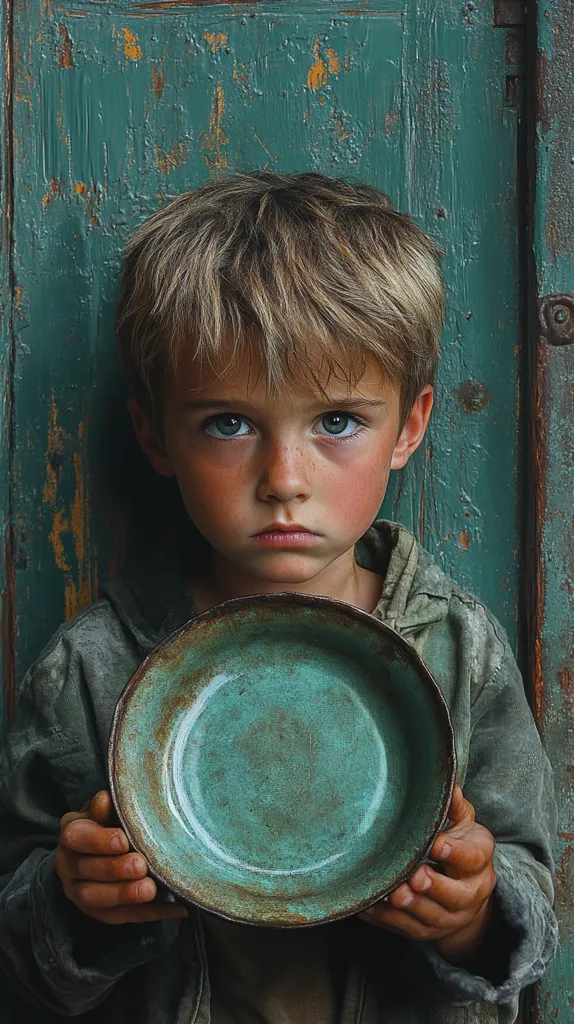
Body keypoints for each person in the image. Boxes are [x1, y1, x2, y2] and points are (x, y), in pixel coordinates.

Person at [0, 170, 557, 1024]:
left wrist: (475, 915)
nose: (284, 481)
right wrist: (76, 903)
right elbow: (19, 940)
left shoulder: (454, 645)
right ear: (155, 433)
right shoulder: (93, 666)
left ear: (409, 426)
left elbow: (526, 885)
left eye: (337, 421)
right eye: (229, 424)